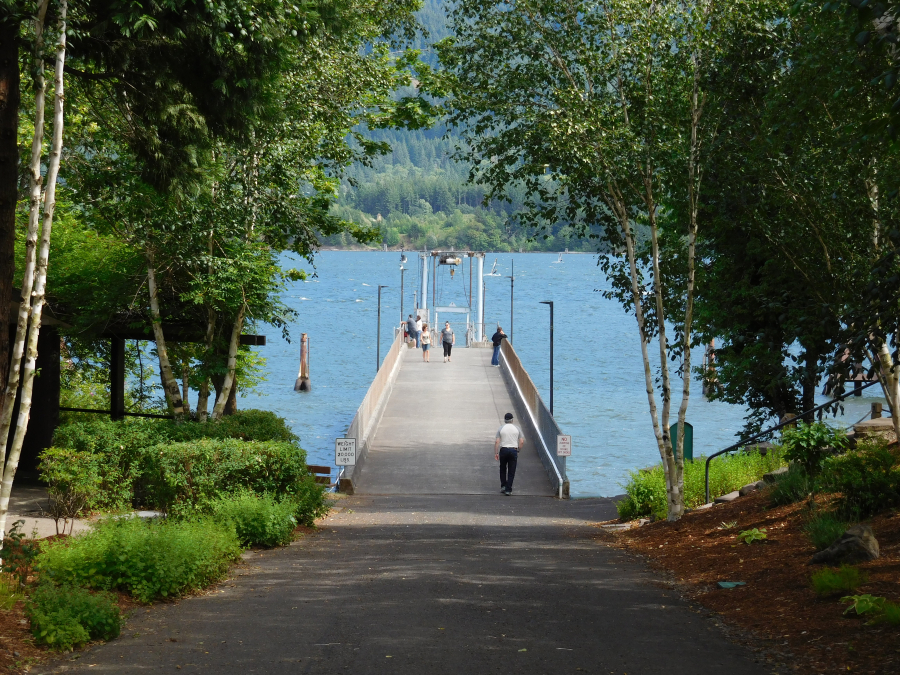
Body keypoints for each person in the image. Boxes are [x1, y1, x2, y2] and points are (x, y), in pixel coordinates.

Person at [494, 412, 524, 495]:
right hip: (513, 450)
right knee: (511, 471)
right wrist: (518, 450)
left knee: (503, 469)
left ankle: (503, 486)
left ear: (504, 420)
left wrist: (496, 452)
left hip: (503, 450)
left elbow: (497, 441)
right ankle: (508, 489)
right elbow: (521, 441)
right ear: (512, 420)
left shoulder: (501, 428)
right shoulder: (517, 428)